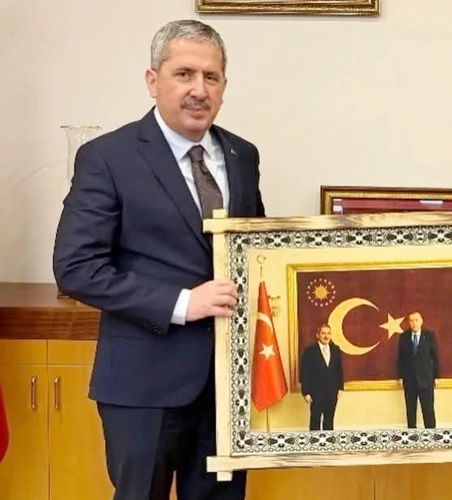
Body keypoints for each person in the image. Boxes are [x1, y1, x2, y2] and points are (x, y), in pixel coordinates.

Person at [53, 19, 266, 500]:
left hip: (229, 387)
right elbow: (76, 268)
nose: (199, 90)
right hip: (142, 385)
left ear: (224, 85)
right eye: (184, 74)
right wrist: (183, 303)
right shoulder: (108, 157)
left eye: (211, 77)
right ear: (153, 81)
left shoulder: (242, 155)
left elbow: (255, 254)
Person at [396, 312, 439, 429]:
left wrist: (437, 376)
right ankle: (412, 435)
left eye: (416, 320)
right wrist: (400, 376)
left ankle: (431, 435)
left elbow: (435, 357)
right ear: (408, 323)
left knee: (428, 410)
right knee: (410, 410)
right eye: (411, 320)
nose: (414, 323)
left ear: (421, 321)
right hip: (409, 380)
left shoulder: (429, 336)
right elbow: (400, 359)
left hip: (426, 379)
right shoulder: (403, 337)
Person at [300, 323, 344, 431]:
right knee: (315, 421)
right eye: (323, 333)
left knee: (329, 421)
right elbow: (304, 372)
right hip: (315, 393)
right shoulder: (309, 351)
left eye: (328, 333)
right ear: (317, 335)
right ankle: (315, 441)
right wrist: (305, 392)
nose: (326, 336)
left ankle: (328, 441)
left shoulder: (335, 349)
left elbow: (339, 370)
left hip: (332, 392)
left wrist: (340, 388)